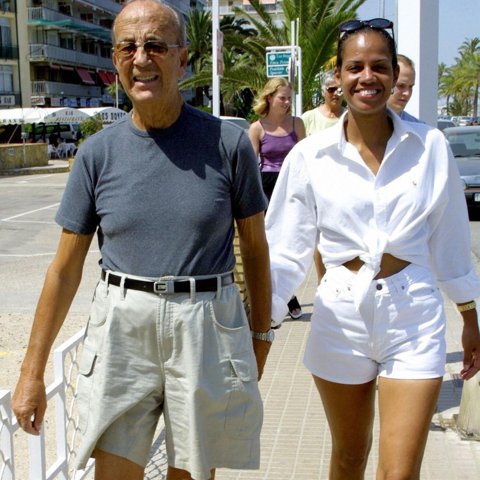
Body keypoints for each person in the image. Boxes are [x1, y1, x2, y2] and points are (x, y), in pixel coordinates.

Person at [12, 1, 273, 480]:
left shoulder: (228, 145)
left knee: (191, 474)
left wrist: (260, 335)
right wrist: (32, 372)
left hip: (204, 326)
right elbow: (64, 270)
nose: (141, 58)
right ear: (115, 60)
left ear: (182, 58)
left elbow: (255, 250)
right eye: (127, 47)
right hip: (122, 330)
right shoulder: (96, 154)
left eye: (155, 45)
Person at [265, 18, 480, 479]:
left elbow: (451, 240)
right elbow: (285, 250)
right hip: (339, 312)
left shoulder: (430, 146)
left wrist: (469, 317)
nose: (368, 77)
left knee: (399, 472)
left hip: (414, 314)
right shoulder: (310, 156)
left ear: (394, 74)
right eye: (355, 67)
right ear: (338, 77)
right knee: (349, 455)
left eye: (379, 66)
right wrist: (260, 327)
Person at [248, 77, 305, 322]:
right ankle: (286, 298)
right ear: (270, 98)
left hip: (292, 184)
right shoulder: (257, 128)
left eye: (289, 98)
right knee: (270, 242)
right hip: (267, 186)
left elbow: (305, 157)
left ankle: (285, 294)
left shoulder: (296, 124)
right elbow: (250, 166)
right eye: (282, 98)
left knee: (291, 240)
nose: (287, 102)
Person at [301, 69, 345, 136]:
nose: (336, 93)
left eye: (340, 90)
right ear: (323, 92)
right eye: (331, 89)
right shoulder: (308, 118)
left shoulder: (351, 117)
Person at [387, 53, 423, 123]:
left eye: (410, 86)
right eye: (401, 85)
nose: (407, 93)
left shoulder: (418, 127)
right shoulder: (365, 124)